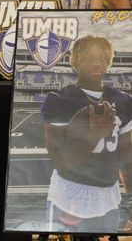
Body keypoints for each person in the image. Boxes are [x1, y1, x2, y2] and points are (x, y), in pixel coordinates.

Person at [42, 35, 132, 232]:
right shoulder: (60, 100)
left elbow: (127, 159)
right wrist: (95, 134)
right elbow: (60, 161)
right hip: (68, 196)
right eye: (89, 58)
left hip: (108, 199)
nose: (96, 63)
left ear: (108, 61)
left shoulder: (123, 101)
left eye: (102, 58)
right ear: (76, 61)